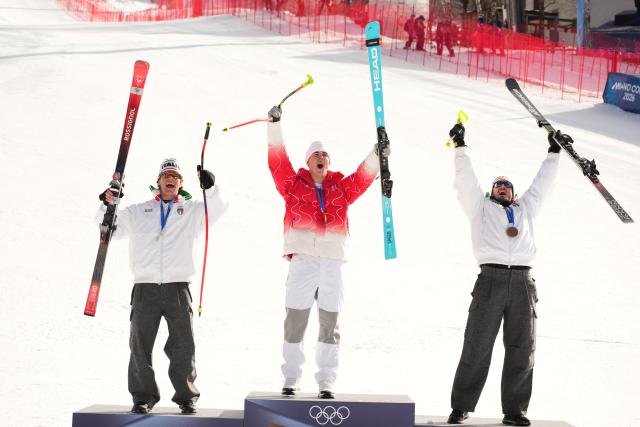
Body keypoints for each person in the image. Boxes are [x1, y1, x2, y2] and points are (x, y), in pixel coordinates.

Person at [445, 122, 572, 426]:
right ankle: (461, 406)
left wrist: (554, 151)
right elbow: (466, 182)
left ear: (514, 193)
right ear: (491, 192)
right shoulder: (481, 208)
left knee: (522, 347)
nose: (501, 187)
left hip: (523, 284)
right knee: (477, 343)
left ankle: (515, 411)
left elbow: (542, 184)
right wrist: (460, 147)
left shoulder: (526, 208)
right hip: (490, 279)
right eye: (497, 185)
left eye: (507, 185)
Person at [266, 105, 387, 399]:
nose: (321, 158)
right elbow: (277, 162)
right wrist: (274, 125)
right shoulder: (293, 185)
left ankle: (326, 380)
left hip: (332, 261)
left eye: (324, 155)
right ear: (308, 162)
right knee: (295, 320)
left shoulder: (340, 188)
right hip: (303, 259)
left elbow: (362, 176)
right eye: (315, 155)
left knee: (330, 322)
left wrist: (378, 153)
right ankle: (292, 376)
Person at [98, 158, 225, 415]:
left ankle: (186, 396)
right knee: (140, 344)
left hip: (178, 287)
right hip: (145, 287)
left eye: (176, 176)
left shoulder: (191, 210)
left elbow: (217, 210)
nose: (171, 179)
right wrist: (107, 203)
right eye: (166, 174)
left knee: (183, 344)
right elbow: (108, 229)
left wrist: (210, 188)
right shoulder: (139, 211)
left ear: (181, 183)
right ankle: (143, 397)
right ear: (158, 182)